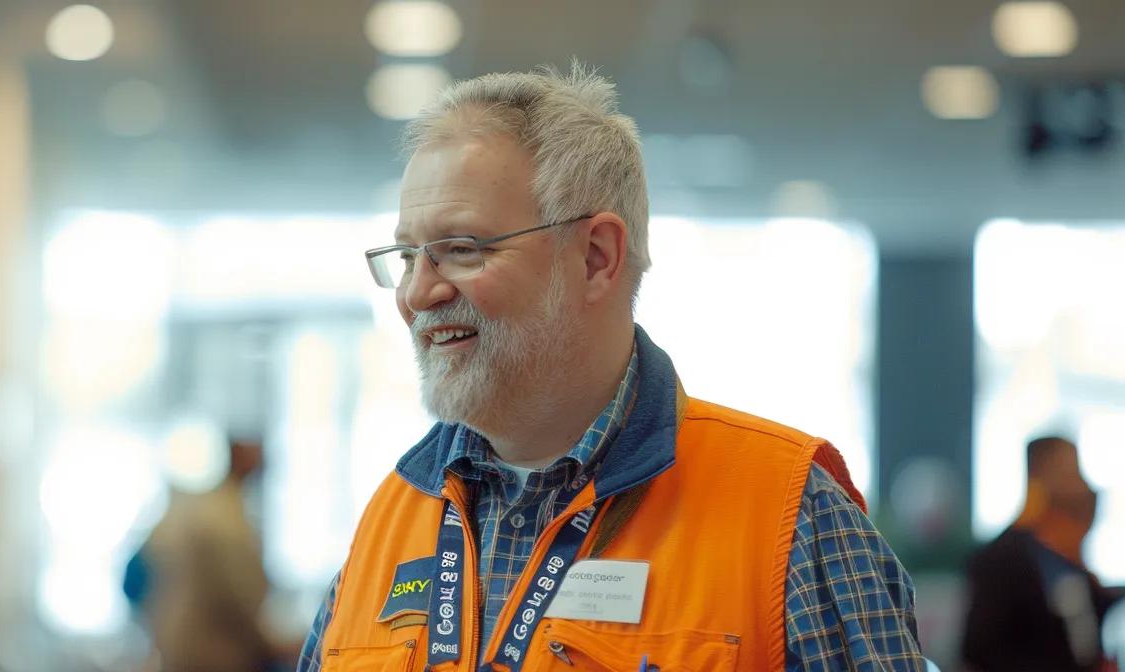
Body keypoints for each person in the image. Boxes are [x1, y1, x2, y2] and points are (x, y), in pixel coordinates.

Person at [297, 63, 925, 671]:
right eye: (408, 257)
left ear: (596, 257)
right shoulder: (391, 517)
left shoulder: (791, 521)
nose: (416, 294)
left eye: (461, 250)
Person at [963, 436, 1122, 672]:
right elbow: (979, 650)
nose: (1081, 485)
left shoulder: (1066, 555)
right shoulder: (1000, 558)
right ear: (1039, 476)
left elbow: (1086, 620)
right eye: (1069, 471)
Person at [140, 437, 287, 672]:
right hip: (208, 651)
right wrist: (270, 643)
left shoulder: (219, 507)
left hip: (188, 644)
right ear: (239, 455)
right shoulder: (224, 520)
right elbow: (237, 597)